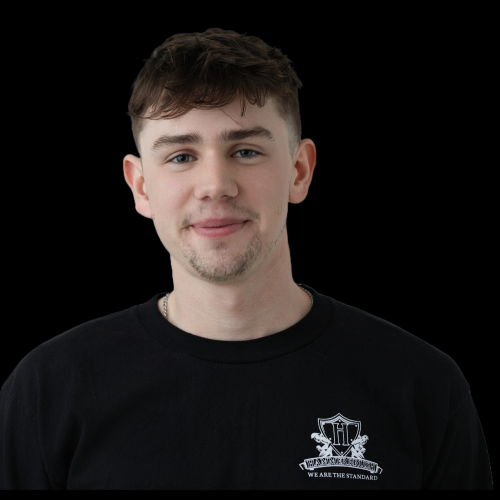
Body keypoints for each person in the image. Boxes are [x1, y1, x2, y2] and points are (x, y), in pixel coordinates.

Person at [0, 28, 493, 490]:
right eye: (181, 156)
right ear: (141, 186)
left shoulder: (421, 386)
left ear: (299, 170)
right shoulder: (51, 389)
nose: (216, 185)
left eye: (246, 151)